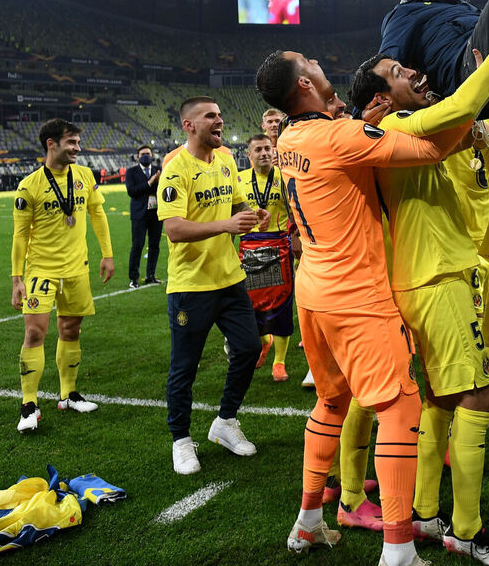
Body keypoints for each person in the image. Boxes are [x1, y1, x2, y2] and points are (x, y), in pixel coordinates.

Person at [256, 50, 461, 566]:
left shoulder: (290, 138)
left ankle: (307, 522)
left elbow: (340, 149)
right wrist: (475, 105)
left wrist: (357, 122)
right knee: (400, 407)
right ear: (304, 82)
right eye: (309, 61)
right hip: (357, 295)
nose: (322, 62)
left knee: (331, 402)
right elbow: (432, 149)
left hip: (315, 290)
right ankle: (398, 549)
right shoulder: (338, 136)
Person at [349, 13, 489, 564]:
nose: (414, 73)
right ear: (380, 100)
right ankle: (467, 529)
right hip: (435, 279)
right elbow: (455, 111)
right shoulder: (395, 125)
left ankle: (426, 513)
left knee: (442, 398)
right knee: (476, 394)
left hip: (428, 276)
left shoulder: (398, 130)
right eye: (399, 71)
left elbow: (457, 127)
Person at [159, 97, 266, 474]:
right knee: (184, 367)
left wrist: (252, 215)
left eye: (220, 114)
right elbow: (173, 228)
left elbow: (237, 206)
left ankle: (225, 422)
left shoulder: (225, 160)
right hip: (191, 285)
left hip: (230, 278)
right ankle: (181, 441)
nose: (219, 121)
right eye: (211, 116)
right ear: (189, 125)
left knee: (250, 347)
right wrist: (224, 226)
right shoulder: (176, 169)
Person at [10, 119, 115, 433]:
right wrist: (17, 278)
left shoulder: (84, 176)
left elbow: (98, 213)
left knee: (71, 330)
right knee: (35, 334)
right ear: (51, 144)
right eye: (71, 142)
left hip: (76, 268)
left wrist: (107, 254)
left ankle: (68, 394)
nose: (77, 148)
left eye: (78, 142)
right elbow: (19, 236)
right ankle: (29, 404)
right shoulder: (29, 185)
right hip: (41, 269)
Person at [236, 134, 296, 383]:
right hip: (249, 247)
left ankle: (279, 362)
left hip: (279, 245)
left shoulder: (285, 178)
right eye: (258, 149)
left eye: (267, 148)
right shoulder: (238, 180)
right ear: (249, 155)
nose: (263, 153)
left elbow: (295, 209)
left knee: (281, 307)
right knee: (252, 307)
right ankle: (264, 342)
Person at [124, 145, 163, 288]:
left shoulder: (158, 171)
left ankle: (150, 275)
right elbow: (131, 191)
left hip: (156, 213)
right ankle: (133, 278)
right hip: (139, 214)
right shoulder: (131, 172)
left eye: (148, 153)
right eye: (142, 154)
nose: (145, 156)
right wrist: (150, 182)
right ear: (137, 156)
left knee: (154, 246)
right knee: (138, 245)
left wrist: (158, 182)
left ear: (152, 156)